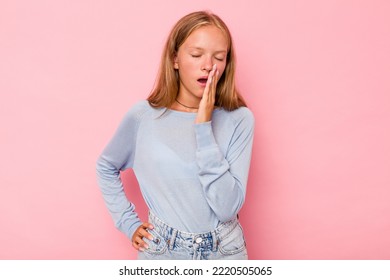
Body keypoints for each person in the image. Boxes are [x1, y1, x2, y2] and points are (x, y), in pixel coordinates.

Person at [96, 10, 254, 260]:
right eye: (196, 54)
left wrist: (203, 127)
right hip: (162, 252)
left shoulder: (239, 119)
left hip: (225, 252)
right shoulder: (143, 117)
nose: (209, 65)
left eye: (219, 57)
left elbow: (226, 209)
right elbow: (106, 166)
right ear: (175, 59)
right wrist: (128, 223)